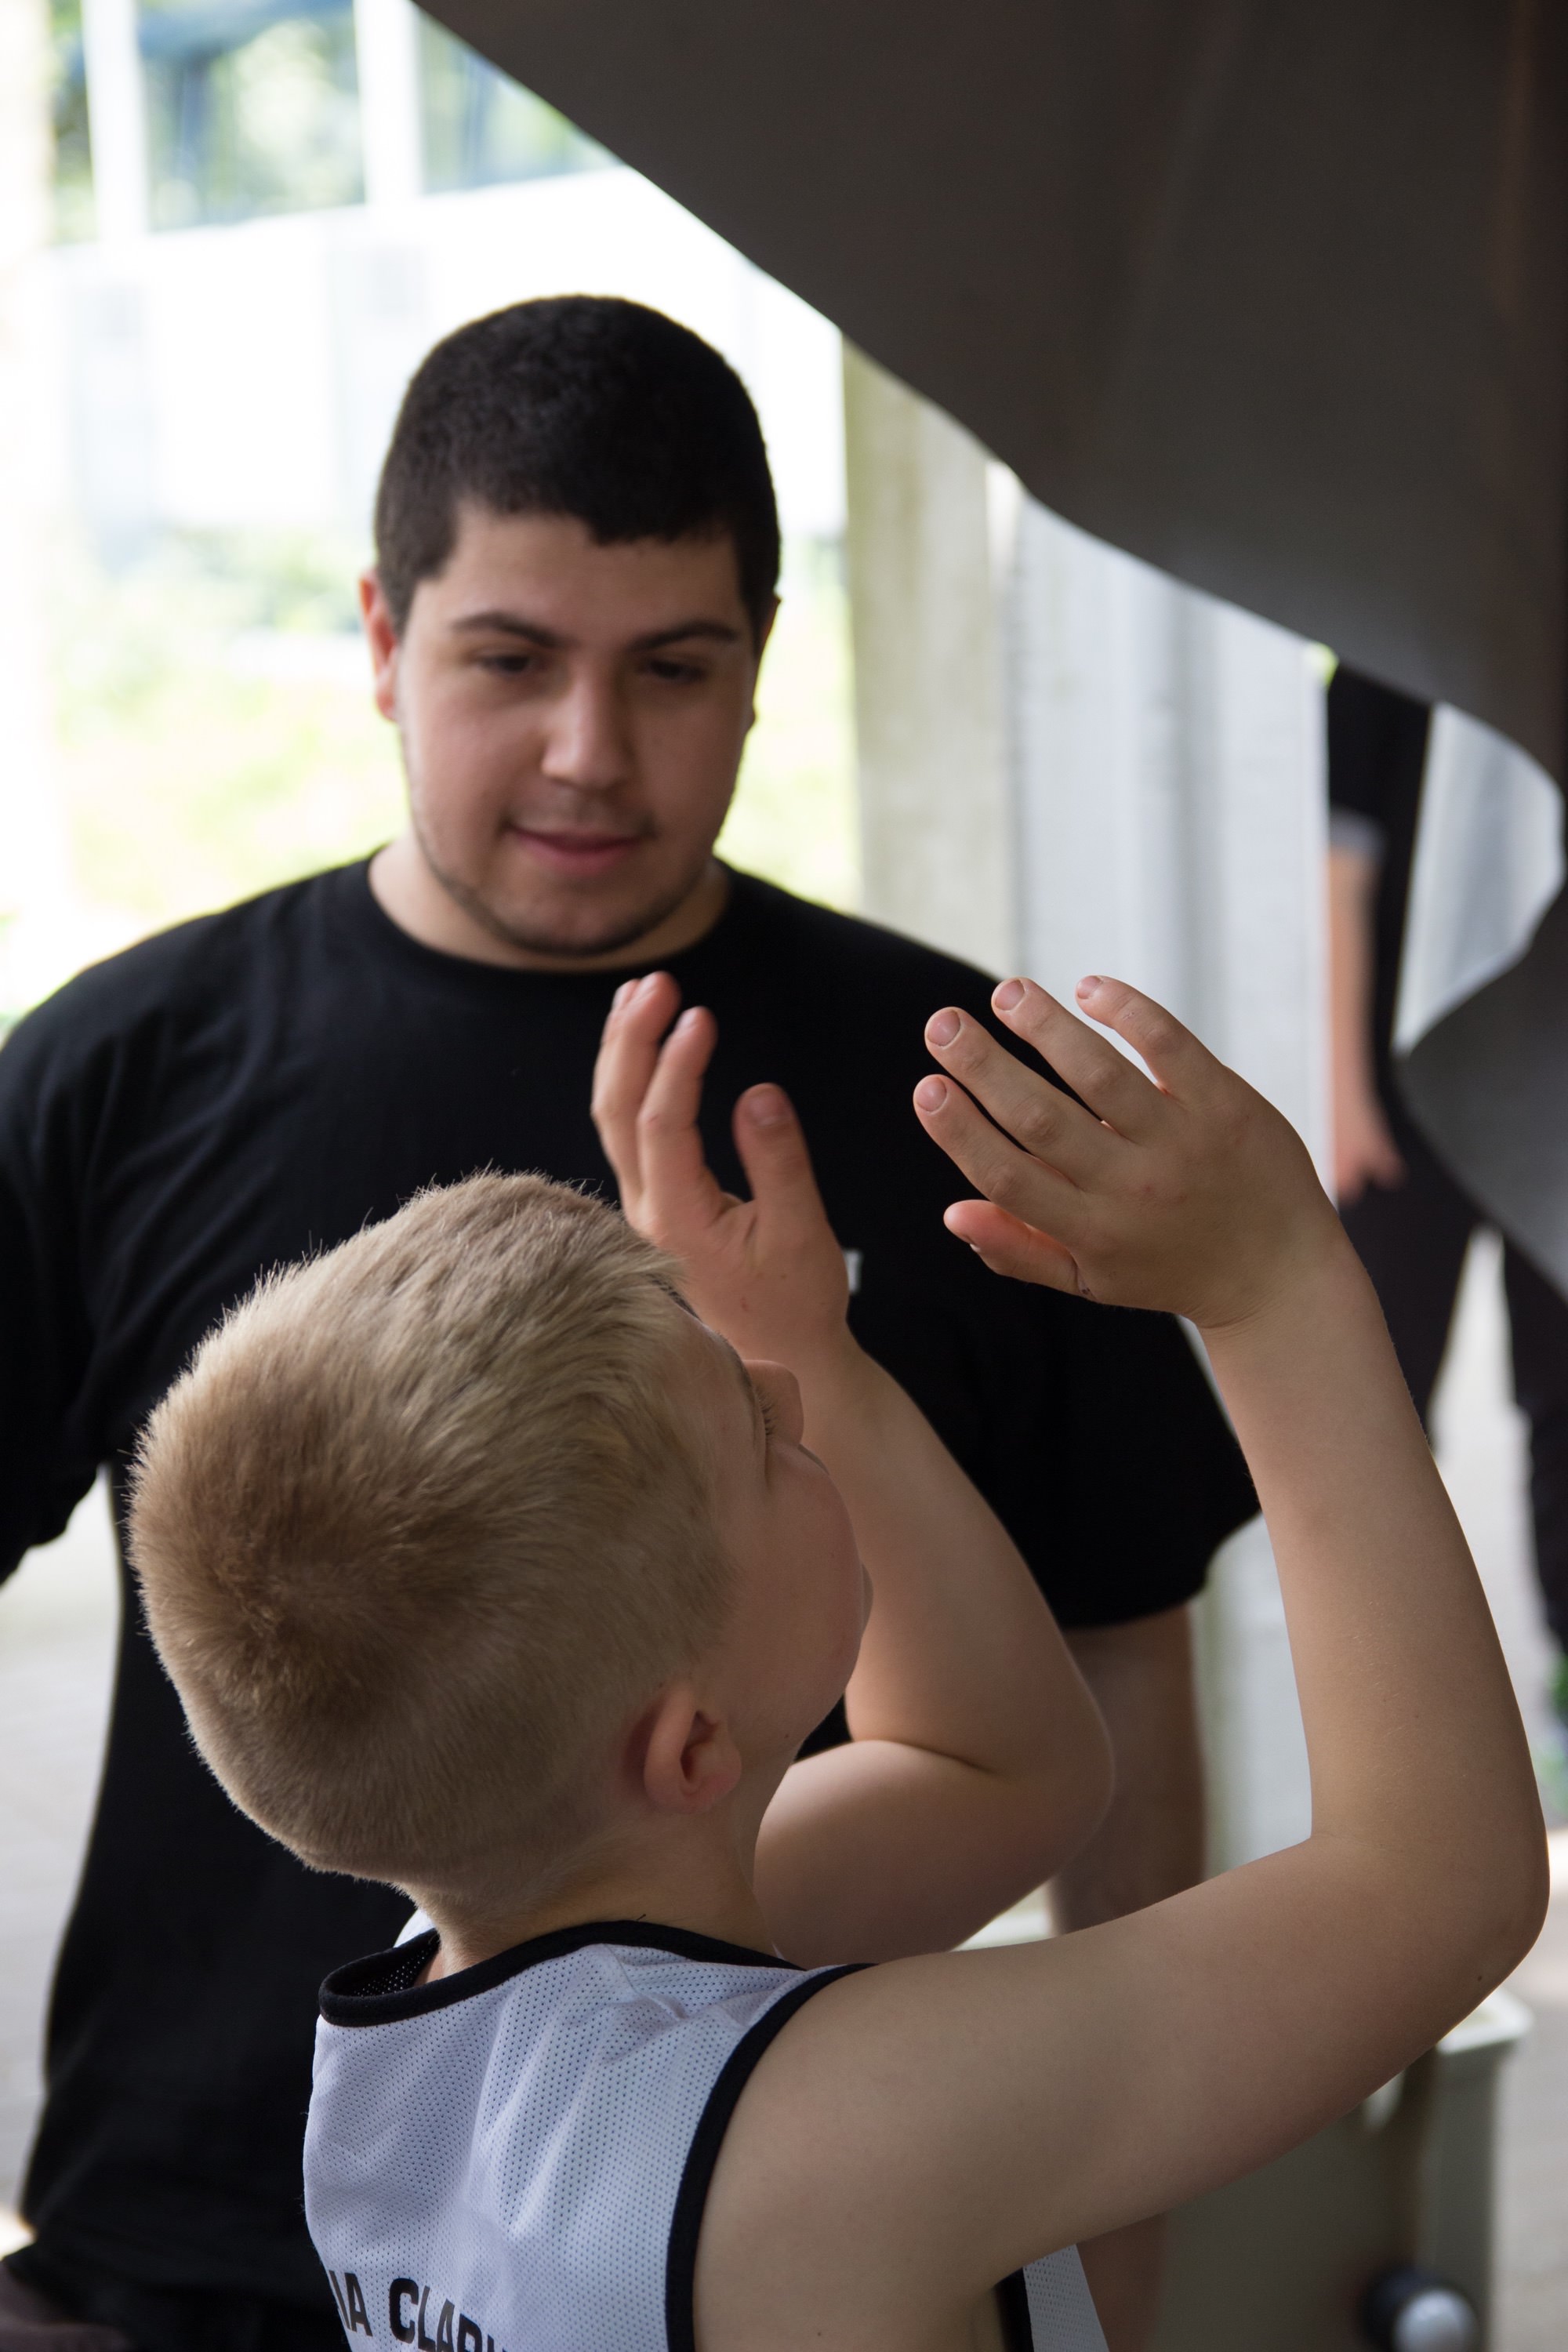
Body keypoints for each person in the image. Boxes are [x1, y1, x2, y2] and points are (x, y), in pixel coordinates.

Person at [0, 296, 1252, 2352]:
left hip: (724, 2253)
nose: (590, 751)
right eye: (511, 661)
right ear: (383, 636)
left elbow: (1122, 1669)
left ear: (762, 661)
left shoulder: (969, 1096)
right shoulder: (123, 1071)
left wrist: (1120, 2237)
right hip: (167, 2260)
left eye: (673, 668)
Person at [125, 966, 1548, 2352]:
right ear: (690, 1747)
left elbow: (1002, 1775)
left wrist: (806, 1345)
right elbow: (1432, 1890)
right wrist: (1273, 1289)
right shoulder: (837, 2136)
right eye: (757, 1432)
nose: (784, 1393)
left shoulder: (444, 2042)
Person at [1327, 665, 1568, 1724]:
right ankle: (1386, 1695)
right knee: (1373, 1395)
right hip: (1402, 1099)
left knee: (1562, 1399)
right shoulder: (1386, 660)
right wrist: (1346, 1094)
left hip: (1549, 1098)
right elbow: (1341, 879)